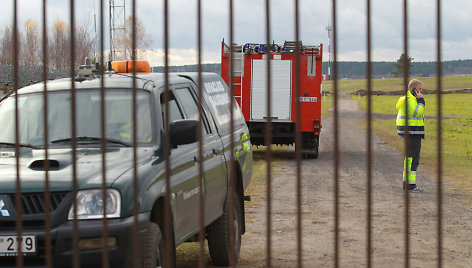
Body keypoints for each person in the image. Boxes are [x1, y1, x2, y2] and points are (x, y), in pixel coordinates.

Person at [396, 79, 425, 192]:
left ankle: (408, 184)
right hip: (411, 132)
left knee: (411, 158)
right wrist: (421, 100)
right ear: (412, 89)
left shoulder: (410, 99)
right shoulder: (410, 100)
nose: (421, 91)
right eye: (419, 89)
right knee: (412, 159)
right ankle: (410, 185)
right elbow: (418, 112)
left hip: (413, 132)